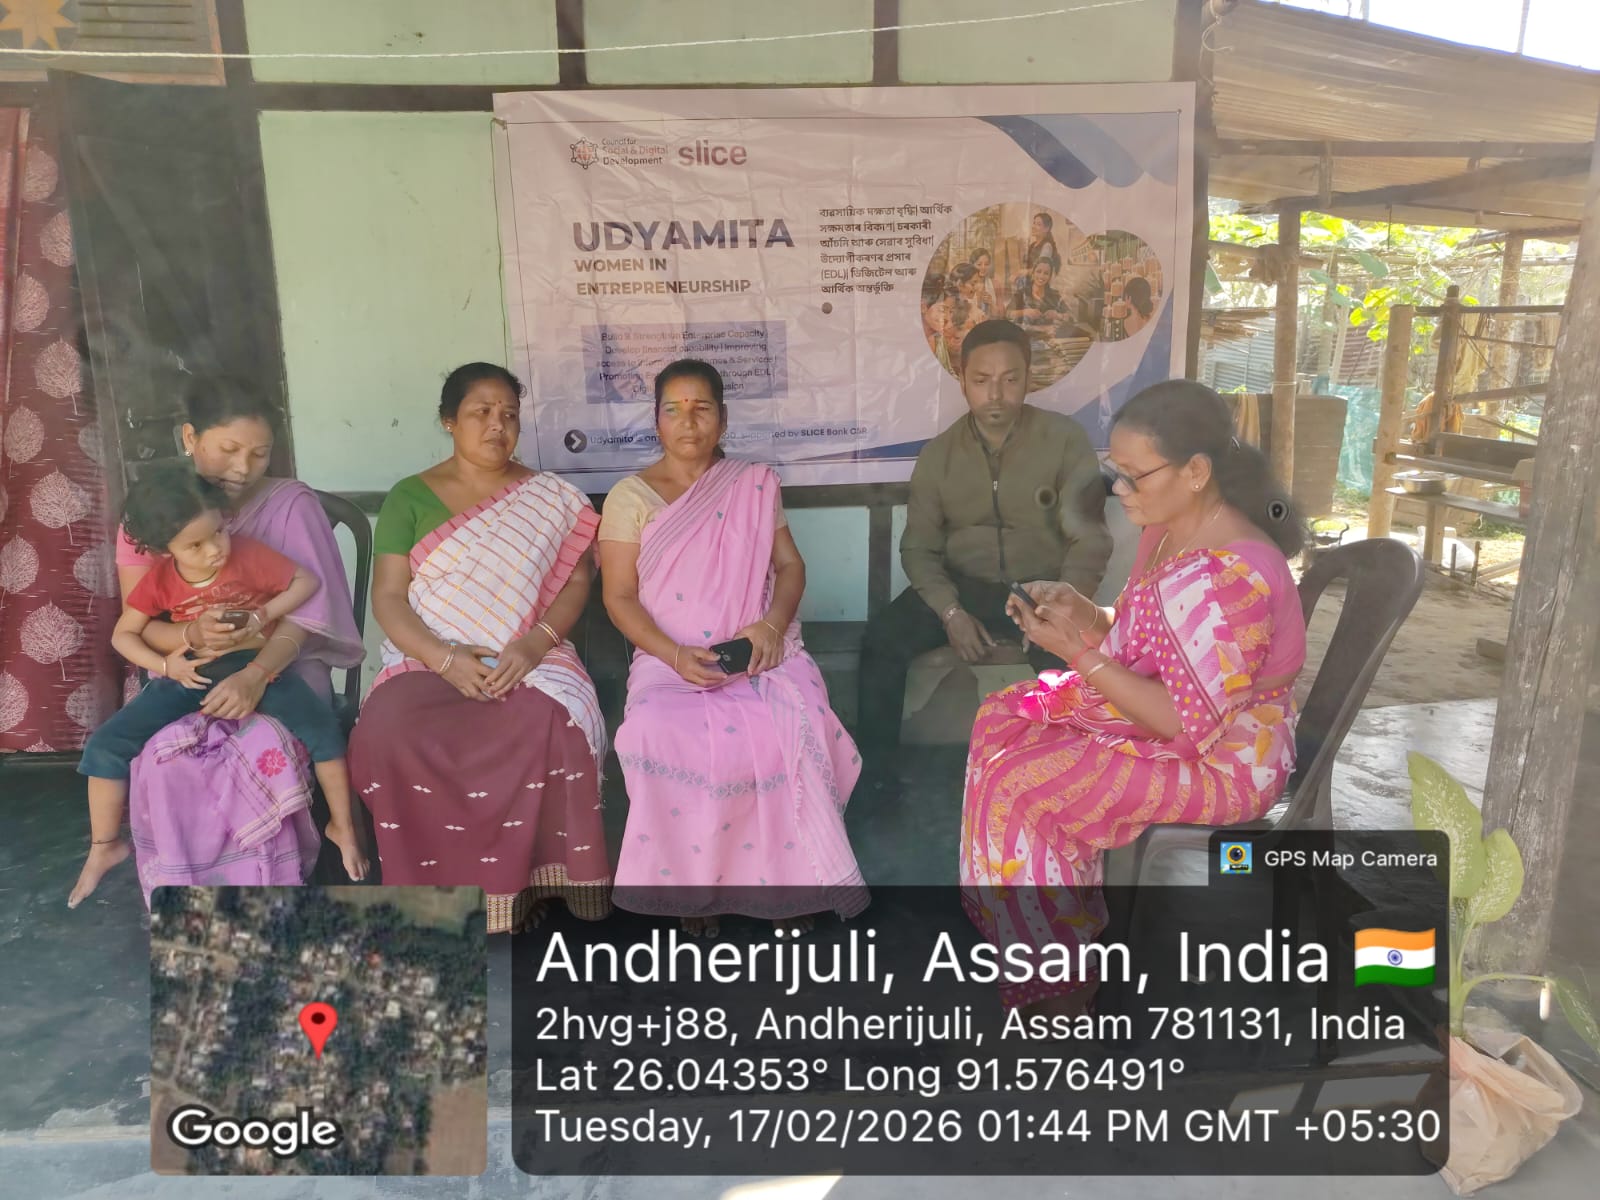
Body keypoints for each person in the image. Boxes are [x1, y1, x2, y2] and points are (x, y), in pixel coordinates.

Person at [960, 380, 1308, 1013]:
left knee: (1022, 780)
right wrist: (1083, 613)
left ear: (1196, 471)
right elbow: (1138, 633)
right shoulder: (1170, 529)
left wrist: (1077, 654)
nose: (1120, 491)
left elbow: (1184, 720)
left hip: (1225, 761)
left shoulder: (1233, 574)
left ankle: (1057, 988)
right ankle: (1039, 924)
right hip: (1169, 722)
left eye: (1133, 476)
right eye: (1114, 473)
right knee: (1002, 716)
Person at [69, 383, 365, 910]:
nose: (243, 467)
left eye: (259, 453)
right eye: (228, 449)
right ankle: (196, 903)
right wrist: (191, 637)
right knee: (166, 759)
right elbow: (142, 625)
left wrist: (255, 674)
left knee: (258, 751)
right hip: (190, 670)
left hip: (284, 664)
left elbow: (307, 613)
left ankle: (272, 893)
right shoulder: (155, 517)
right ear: (190, 437)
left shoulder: (290, 507)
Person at [599, 359, 866, 933]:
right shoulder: (629, 497)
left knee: (787, 730)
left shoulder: (753, 484)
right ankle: (697, 893)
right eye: (673, 409)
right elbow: (618, 597)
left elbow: (790, 566)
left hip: (758, 654)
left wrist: (770, 627)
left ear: (722, 419)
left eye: (702, 409)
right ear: (656, 420)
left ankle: (787, 889)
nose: (688, 421)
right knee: (655, 732)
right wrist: (674, 655)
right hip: (668, 660)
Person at [349, 363, 611, 934]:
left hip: (529, 653)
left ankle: (528, 890)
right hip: (427, 656)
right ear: (449, 421)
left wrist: (534, 645)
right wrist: (444, 659)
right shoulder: (410, 497)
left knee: (552, 721)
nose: (498, 425)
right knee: (389, 732)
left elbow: (576, 584)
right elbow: (389, 598)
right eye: (481, 413)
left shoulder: (552, 500)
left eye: (509, 415)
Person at [856, 319, 1112, 756]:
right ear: (962, 382)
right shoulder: (939, 454)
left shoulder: (1064, 440)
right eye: (981, 380)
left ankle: (1076, 774)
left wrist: (1062, 606)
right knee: (881, 642)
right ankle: (877, 781)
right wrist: (950, 611)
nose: (995, 394)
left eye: (1009, 379)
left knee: (1072, 663)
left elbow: (1090, 538)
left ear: (1028, 379)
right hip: (962, 586)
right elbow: (918, 548)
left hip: (1040, 589)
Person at [1007, 257, 1068, 331]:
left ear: (1049, 277)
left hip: (1048, 336)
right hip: (1024, 335)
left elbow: (1071, 317)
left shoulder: (1054, 295)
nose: (1041, 276)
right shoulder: (1022, 293)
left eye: (1046, 273)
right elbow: (1007, 314)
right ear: (1033, 273)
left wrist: (1058, 315)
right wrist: (1024, 312)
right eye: (1038, 271)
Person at [968, 247, 1000, 319]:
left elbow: (1002, 315)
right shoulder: (967, 285)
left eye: (986, 264)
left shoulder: (995, 284)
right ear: (972, 265)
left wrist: (991, 303)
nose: (983, 267)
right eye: (979, 264)